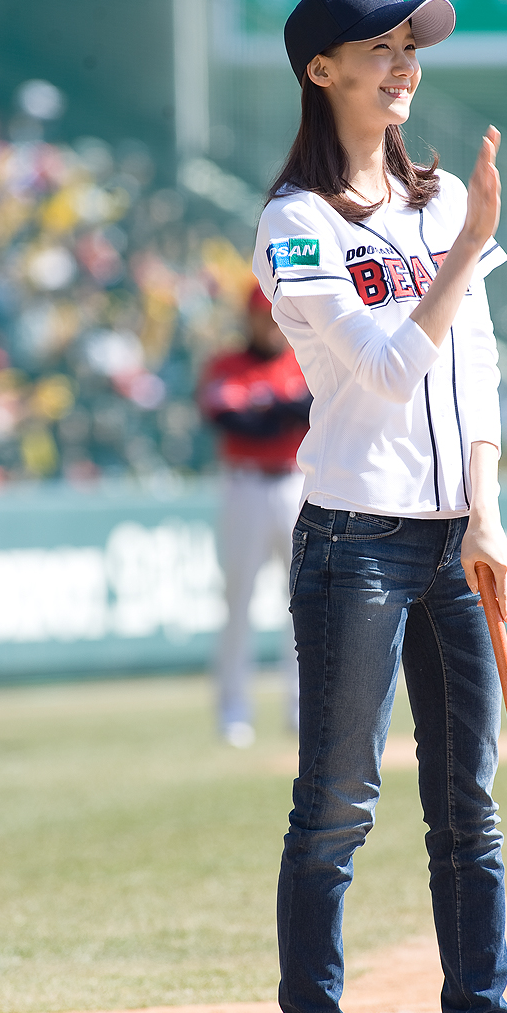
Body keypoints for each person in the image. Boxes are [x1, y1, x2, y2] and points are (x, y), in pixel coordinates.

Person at [252, 0, 507, 1013]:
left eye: (410, 47)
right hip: (354, 540)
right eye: (379, 48)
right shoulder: (294, 221)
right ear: (321, 71)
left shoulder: (442, 198)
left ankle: (479, 1003)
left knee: (469, 812)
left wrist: (488, 515)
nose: (403, 65)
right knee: (336, 810)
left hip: (456, 541)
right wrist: (465, 250)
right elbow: (388, 372)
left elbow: (475, 365)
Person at [198, 284, 311, 745]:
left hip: (296, 483)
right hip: (244, 484)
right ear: (249, 319)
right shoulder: (227, 365)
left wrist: (272, 409)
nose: (272, 326)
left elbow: (314, 410)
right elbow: (235, 422)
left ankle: (302, 710)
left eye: (277, 317)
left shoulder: (302, 359)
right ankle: (233, 711)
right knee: (238, 602)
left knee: (304, 602)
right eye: (264, 317)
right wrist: (285, 411)